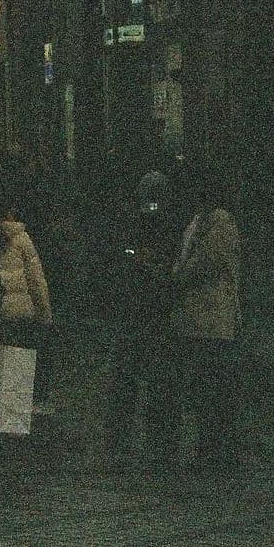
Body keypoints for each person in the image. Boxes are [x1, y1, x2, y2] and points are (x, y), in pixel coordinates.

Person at [150, 168, 241, 471]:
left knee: (211, 387)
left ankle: (215, 452)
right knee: (204, 387)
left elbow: (205, 261)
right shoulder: (200, 220)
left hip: (212, 319)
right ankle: (209, 450)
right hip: (198, 319)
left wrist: (174, 277)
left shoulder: (220, 222)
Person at [104, 169, 182, 468]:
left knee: (133, 382)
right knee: (152, 382)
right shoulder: (164, 222)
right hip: (149, 312)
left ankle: (130, 443)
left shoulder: (143, 221)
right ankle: (157, 444)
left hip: (143, 311)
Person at [0, 185, 53, 407]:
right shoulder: (22, 239)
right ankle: (17, 407)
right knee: (19, 362)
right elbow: (36, 280)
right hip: (21, 312)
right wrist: (44, 313)